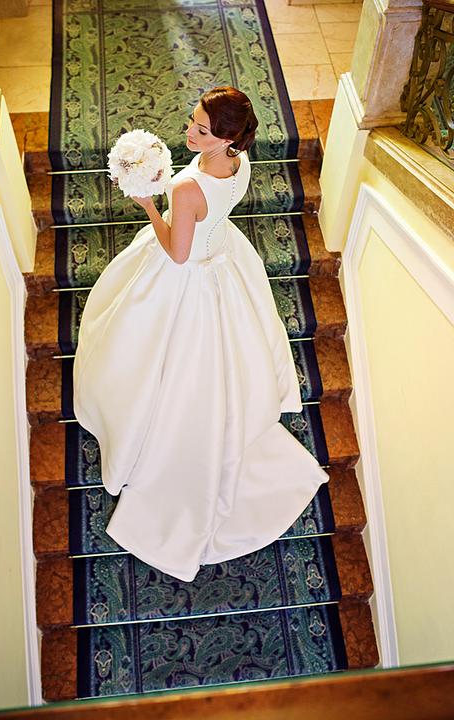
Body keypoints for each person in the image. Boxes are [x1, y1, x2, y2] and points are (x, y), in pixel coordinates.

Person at [73, 86, 329, 582]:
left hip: (187, 276)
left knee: (146, 355)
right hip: (223, 261)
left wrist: (150, 205)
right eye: (193, 120)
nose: (189, 132)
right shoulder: (240, 161)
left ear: (227, 137)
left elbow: (177, 254)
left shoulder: (187, 188)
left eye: (202, 130)